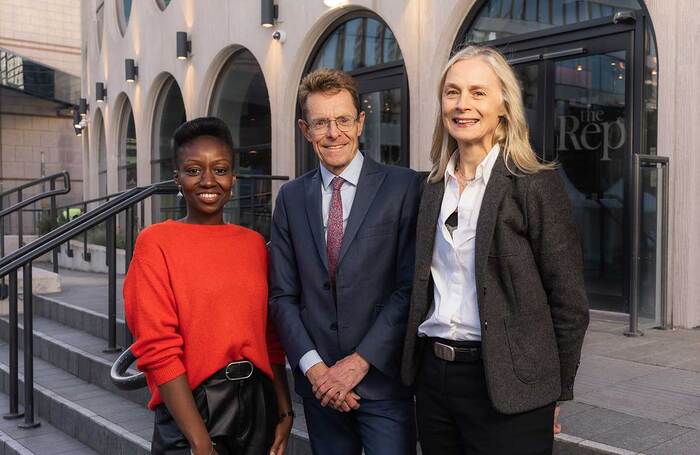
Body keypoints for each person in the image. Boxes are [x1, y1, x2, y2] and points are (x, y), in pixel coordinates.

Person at [400, 46, 590, 455]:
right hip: (435, 381)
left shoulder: (533, 184)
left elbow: (569, 301)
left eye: (477, 92)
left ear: (504, 103)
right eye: (452, 92)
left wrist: (555, 389)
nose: (462, 105)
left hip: (509, 385)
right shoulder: (432, 187)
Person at [269, 68, 422, 455]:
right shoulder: (289, 199)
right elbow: (282, 297)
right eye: (321, 122)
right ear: (306, 130)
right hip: (320, 389)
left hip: (383, 382)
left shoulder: (405, 188)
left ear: (361, 122)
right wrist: (317, 371)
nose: (333, 132)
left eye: (342, 120)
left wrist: (359, 363)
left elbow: (410, 288)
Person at [124, 117, 293, 455]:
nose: (207, 180)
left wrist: (285, 410)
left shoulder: (254, 244)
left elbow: (270, 337)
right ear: (177, 179)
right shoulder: (156, 242)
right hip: (191, 409)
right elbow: (158, 349)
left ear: (233, 178)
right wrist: (199, 441)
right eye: (193, 170)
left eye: (219, 169)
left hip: (256, 404)